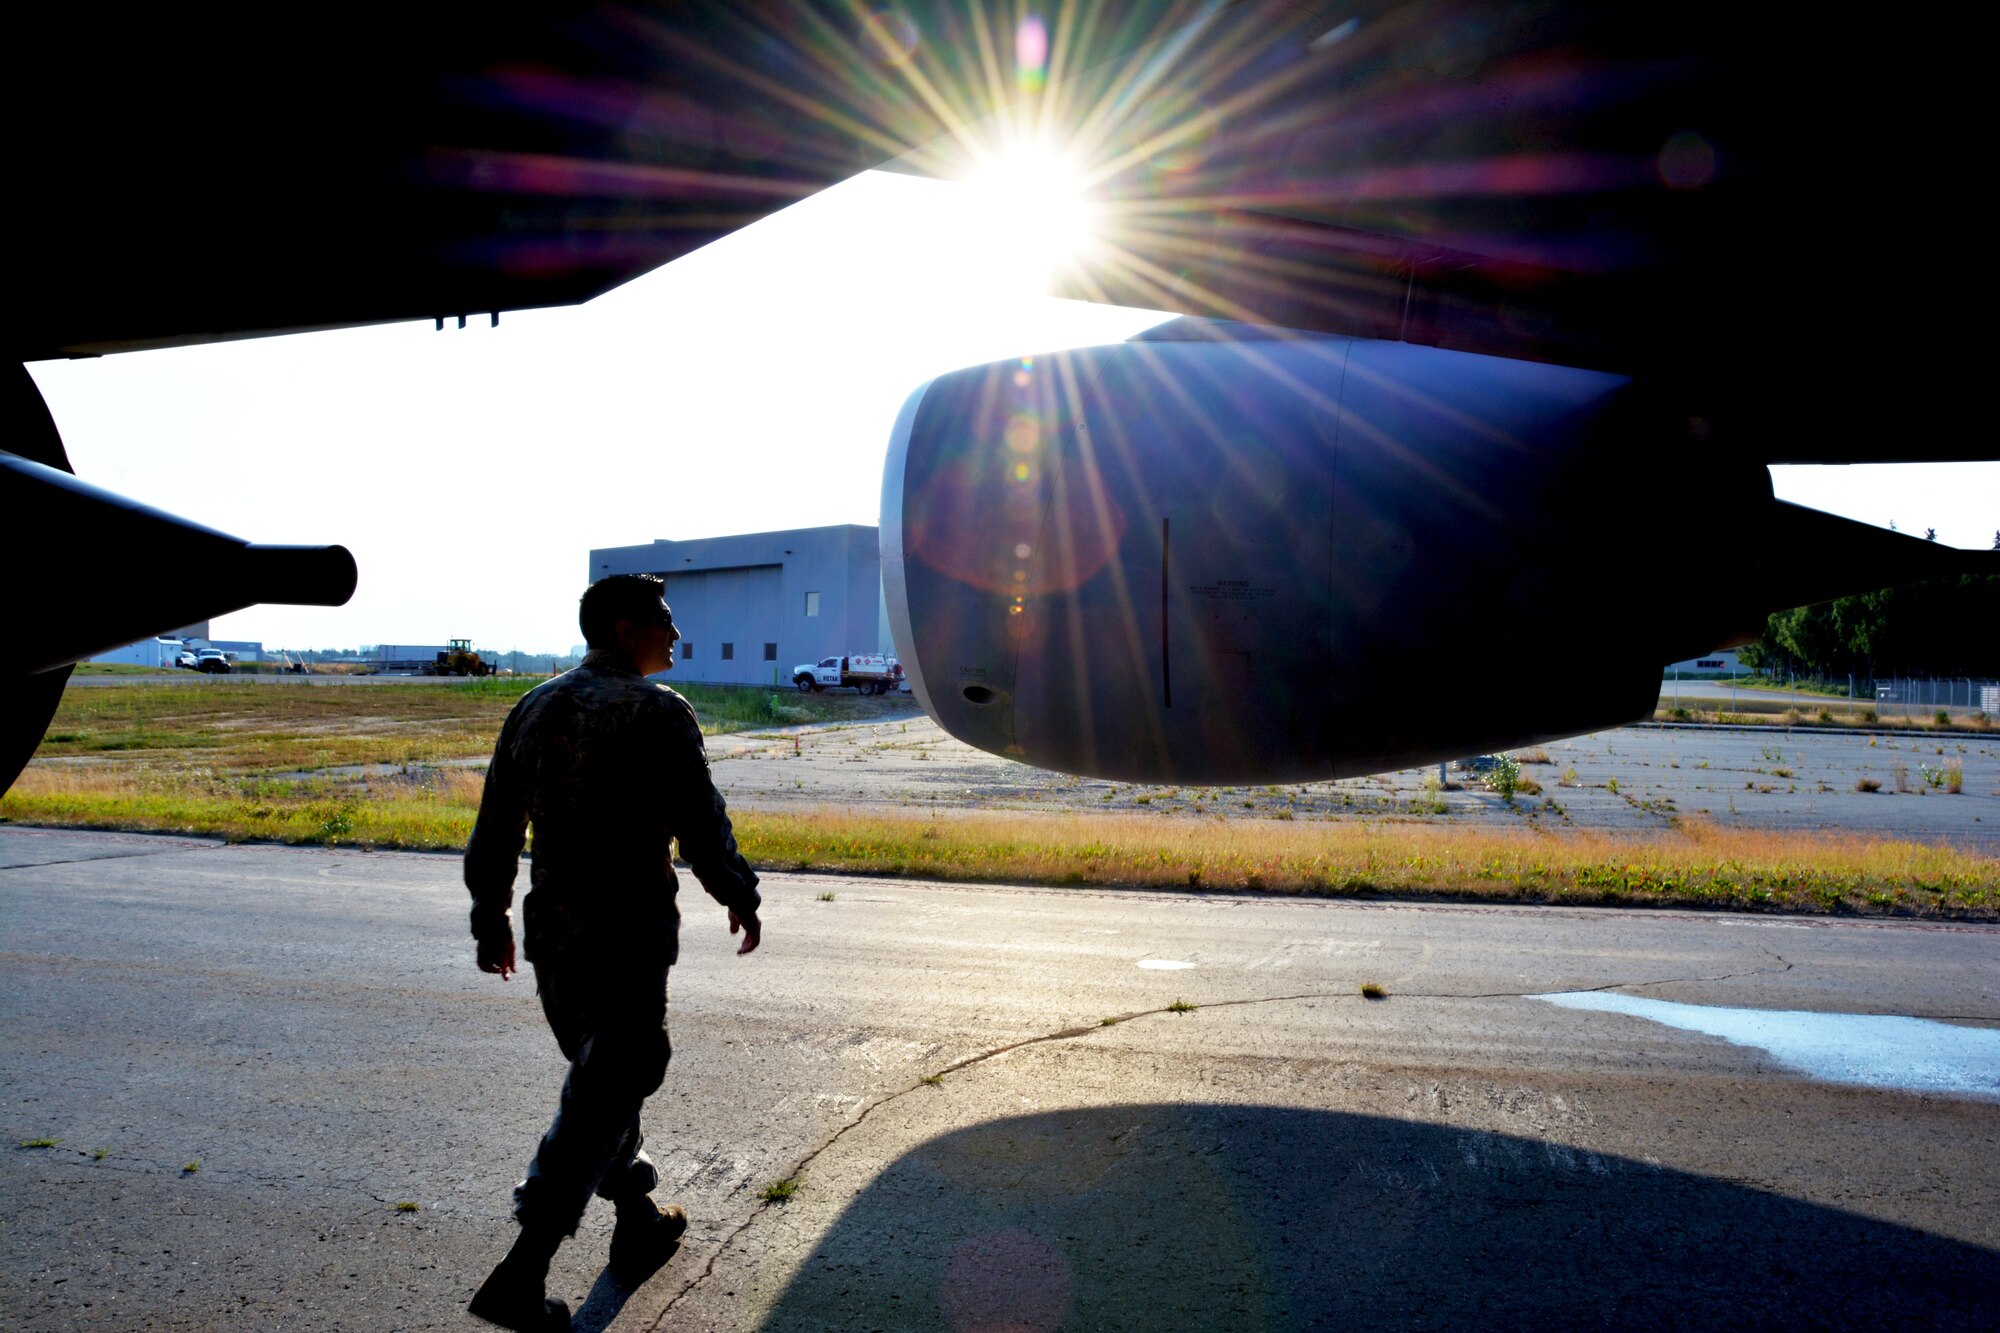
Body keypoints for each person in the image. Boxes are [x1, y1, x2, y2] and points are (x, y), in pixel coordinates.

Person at [462, 574, 762, 1331]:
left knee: (606, 1081)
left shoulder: (534, 705)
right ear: (625, 628)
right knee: (609, 1083)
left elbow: (497, 823)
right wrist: (738, 890)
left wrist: (489, 915)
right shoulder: (659, 712)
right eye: (664, 620)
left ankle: (635, 1214)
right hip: (626, 937)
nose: (676, 633)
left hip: (553, 941)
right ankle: (521, 1272)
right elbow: (700, 819)